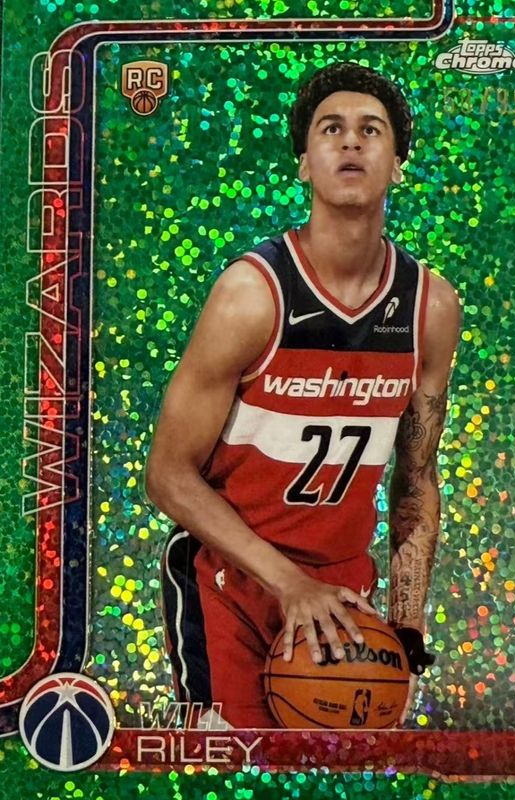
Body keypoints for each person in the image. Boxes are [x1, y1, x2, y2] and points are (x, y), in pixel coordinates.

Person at [146, 61, 460, 729]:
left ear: (398, 165)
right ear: (303, 164)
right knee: (238, 767)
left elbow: (415, 478)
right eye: (330, 128)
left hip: (343, 593)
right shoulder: (251, 294)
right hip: (231, 583)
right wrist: (289, 583)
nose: (350, 142)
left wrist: (404, 625)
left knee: (341, 770)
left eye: (370, 130)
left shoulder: (429, 307)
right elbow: (168, 474)